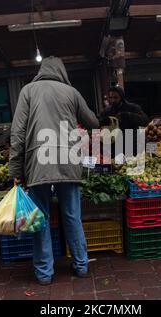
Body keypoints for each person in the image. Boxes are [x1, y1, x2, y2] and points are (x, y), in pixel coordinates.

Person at [9, 56, 99, 285]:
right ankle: (81, 265)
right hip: (69, 160)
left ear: (42, 70)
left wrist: (15, 169)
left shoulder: (28, 91)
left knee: (41, 219)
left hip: (38, 162)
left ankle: (44, 274)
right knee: (72, 216)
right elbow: (93, 122)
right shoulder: (71, 92)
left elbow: (17, 133)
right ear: (62, 72)